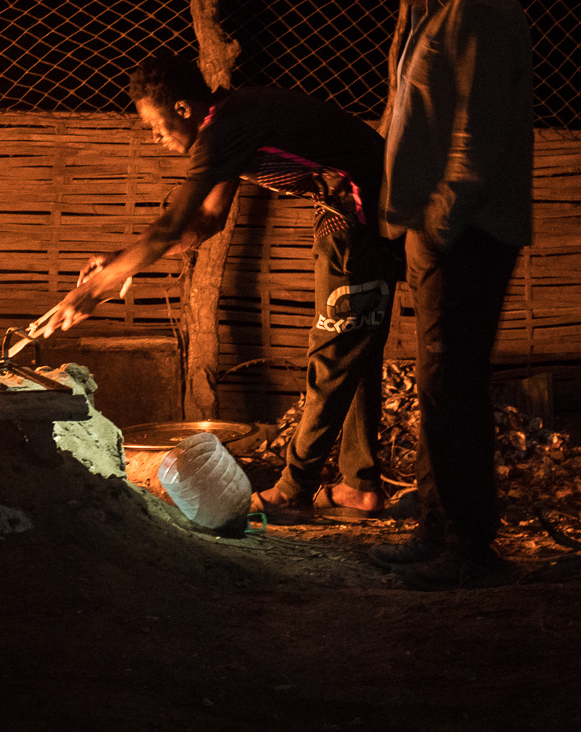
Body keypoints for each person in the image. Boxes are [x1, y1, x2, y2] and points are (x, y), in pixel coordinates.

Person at [37, 54, 403, 521]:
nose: (156, 137)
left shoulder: (223, 128)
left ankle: (293, 491)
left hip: (359, 213)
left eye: (157, 124)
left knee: (334, 352)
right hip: (351, 211)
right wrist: (120, 263)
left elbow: (171, 227)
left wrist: (90, 293)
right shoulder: (233, 124)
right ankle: (360, 486)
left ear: (185, 110)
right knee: (356, 347)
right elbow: (203, 222)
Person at [365, 0, 534, 590]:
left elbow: (477, 142)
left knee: (452, 386)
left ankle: (469, 544)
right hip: (440, 234)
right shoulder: (439, 10)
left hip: (466, 235)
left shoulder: (482, 12)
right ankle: (439, 529)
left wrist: (435, 226)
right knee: (439, 384)